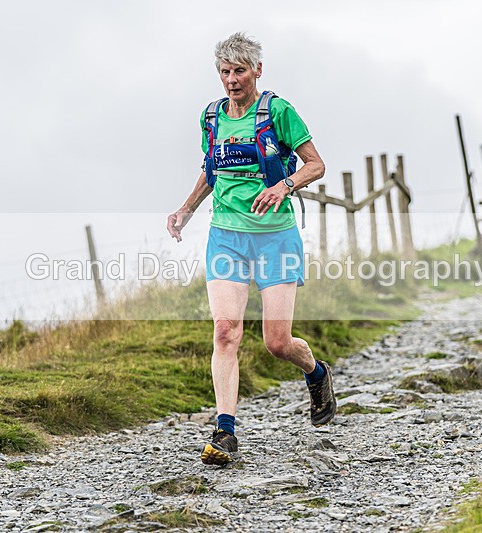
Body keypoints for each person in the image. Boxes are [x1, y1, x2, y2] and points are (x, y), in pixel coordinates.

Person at [166, 33, 336, 465]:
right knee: (226, 331)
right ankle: (225, 431)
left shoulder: (277, 111)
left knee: (277, 343)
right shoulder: (211, 117)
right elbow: (211, 170)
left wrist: (284, 185)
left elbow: (316, 164)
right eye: (225, 72)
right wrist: (186, 209)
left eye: (239, 71)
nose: (232, 80)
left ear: (257, 70)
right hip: (226, 236)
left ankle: (316, 372)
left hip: (276, 237)